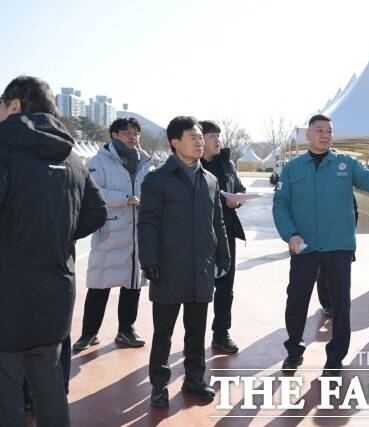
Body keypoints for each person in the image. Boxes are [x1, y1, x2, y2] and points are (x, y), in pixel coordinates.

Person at [0, 76, 107, 426]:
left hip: (8, 291)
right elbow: (96, 212)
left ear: (16, 105)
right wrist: (56, 235)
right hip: (56, 290)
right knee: (48, 382)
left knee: (6, 388)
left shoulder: (4, 146)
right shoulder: (71, 157)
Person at [273, 114, 369, 377]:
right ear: (307, 134)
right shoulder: (293, 168)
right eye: (319, 130)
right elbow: (280, 204)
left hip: (338, 245)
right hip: (304, 246)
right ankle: (294, 351)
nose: (325, 135)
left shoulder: (346, 163)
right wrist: (290, 235)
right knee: (297, 300)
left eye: (329, 131)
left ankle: (335, 357)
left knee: (340, 304)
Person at [138, 116, 231, 407]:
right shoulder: (156, 180)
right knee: (163, 332)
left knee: (197, 330)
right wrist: (149, 261)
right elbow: (147, 223)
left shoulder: (210, 180)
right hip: (168, 267)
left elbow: (218, 222)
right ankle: (159, 384)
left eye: (201, 137)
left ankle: (194, 380)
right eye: (193, 137)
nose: (200, 142)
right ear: (175, 142)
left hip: (201, 267)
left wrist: (223, 254)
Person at [73, 117, 154, 352]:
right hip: (110, 230)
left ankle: (126, 330)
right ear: (114, 135)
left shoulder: (146, 162)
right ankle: (89, 333)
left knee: (132, 284)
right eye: (127, 132)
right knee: (100, 283)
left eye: (136, 133)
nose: (133, 137)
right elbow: (92, 191)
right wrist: (124, 199)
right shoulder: (99, 161)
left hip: (137, 231)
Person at [200, 120, 246, 354]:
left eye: (219, 135)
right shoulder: (191, 165)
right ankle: (194, 338)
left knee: (226, 287)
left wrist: (237, 199)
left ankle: (221, 333)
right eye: (213, 136)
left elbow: (239, 188)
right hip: (198, 235)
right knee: (198, 289)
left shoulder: (227, 164)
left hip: (226, 233)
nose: (218, 140)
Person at [317, 195, 359, 318]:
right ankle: (326, 304)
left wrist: (350, 227)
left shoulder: (345, 188)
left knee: (341, 276)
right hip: (322, 238)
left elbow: (354, 209)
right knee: (322, 273)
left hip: (342, 238)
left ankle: (339, 305)